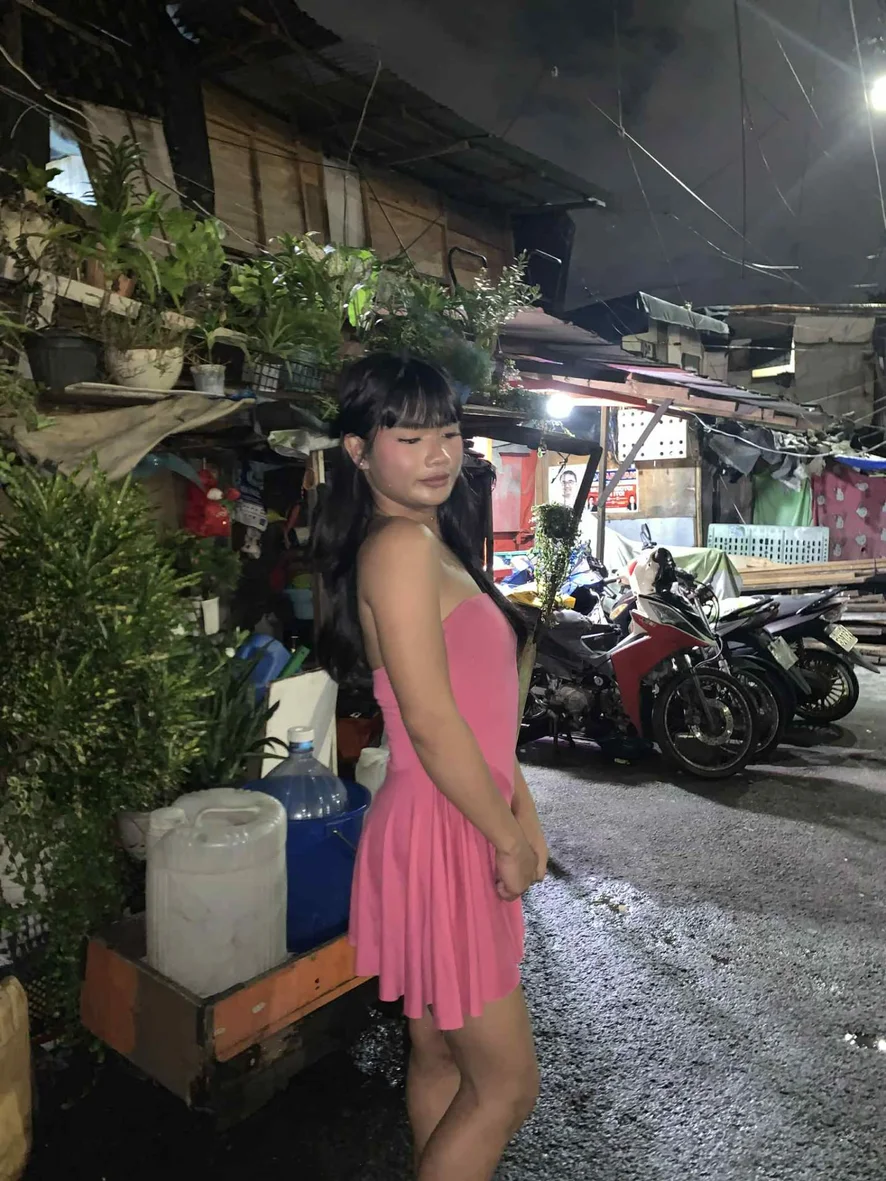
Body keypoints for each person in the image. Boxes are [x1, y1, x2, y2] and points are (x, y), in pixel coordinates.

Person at [314, 354, 547, 1181]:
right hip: (445, 824)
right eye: (409, 438)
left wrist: (523, 813)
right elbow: (432, 722)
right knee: (507, 1087)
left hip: (448, 813)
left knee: (443, 1056)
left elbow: (486, 717)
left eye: (447, 433)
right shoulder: (399, 550)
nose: (438, 454)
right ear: (358, 450)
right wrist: (505, 836)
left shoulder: (426, 539)